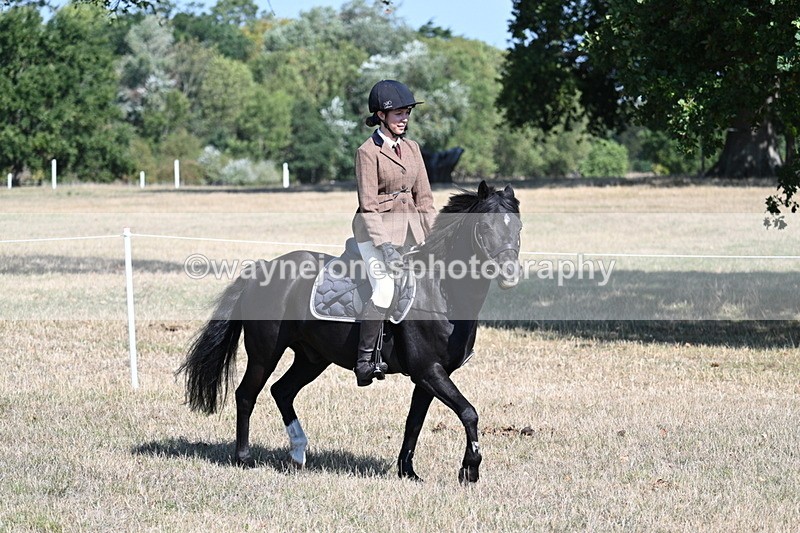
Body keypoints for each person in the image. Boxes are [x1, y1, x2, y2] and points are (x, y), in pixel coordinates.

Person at [351, 79, 436, 386]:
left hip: (411, 230)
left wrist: (435, 237)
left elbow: (424, 200)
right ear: (381, 115)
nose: (404, 119)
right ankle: (364, 361)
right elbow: (368, 205)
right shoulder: (367, 152)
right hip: (372, 233)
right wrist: (383, 245)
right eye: (399, 113)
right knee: (385, 287)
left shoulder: (413, 149)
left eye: (407, 113)